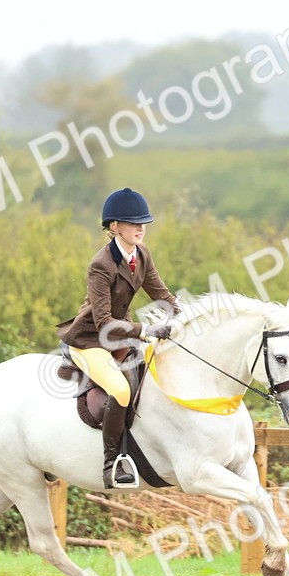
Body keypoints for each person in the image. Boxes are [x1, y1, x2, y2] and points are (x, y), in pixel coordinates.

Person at [56, 188, 180, 486]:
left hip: (122, 334)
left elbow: (160, 293)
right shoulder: (101, 265)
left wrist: (182, 314)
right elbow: (103, 323)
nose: (141, 228)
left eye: (143, 222)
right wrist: (146, 330)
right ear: (114, 227)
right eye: (133, 223)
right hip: (91, 340)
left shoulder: (141, 254)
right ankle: (112, 462)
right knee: (121, 390)